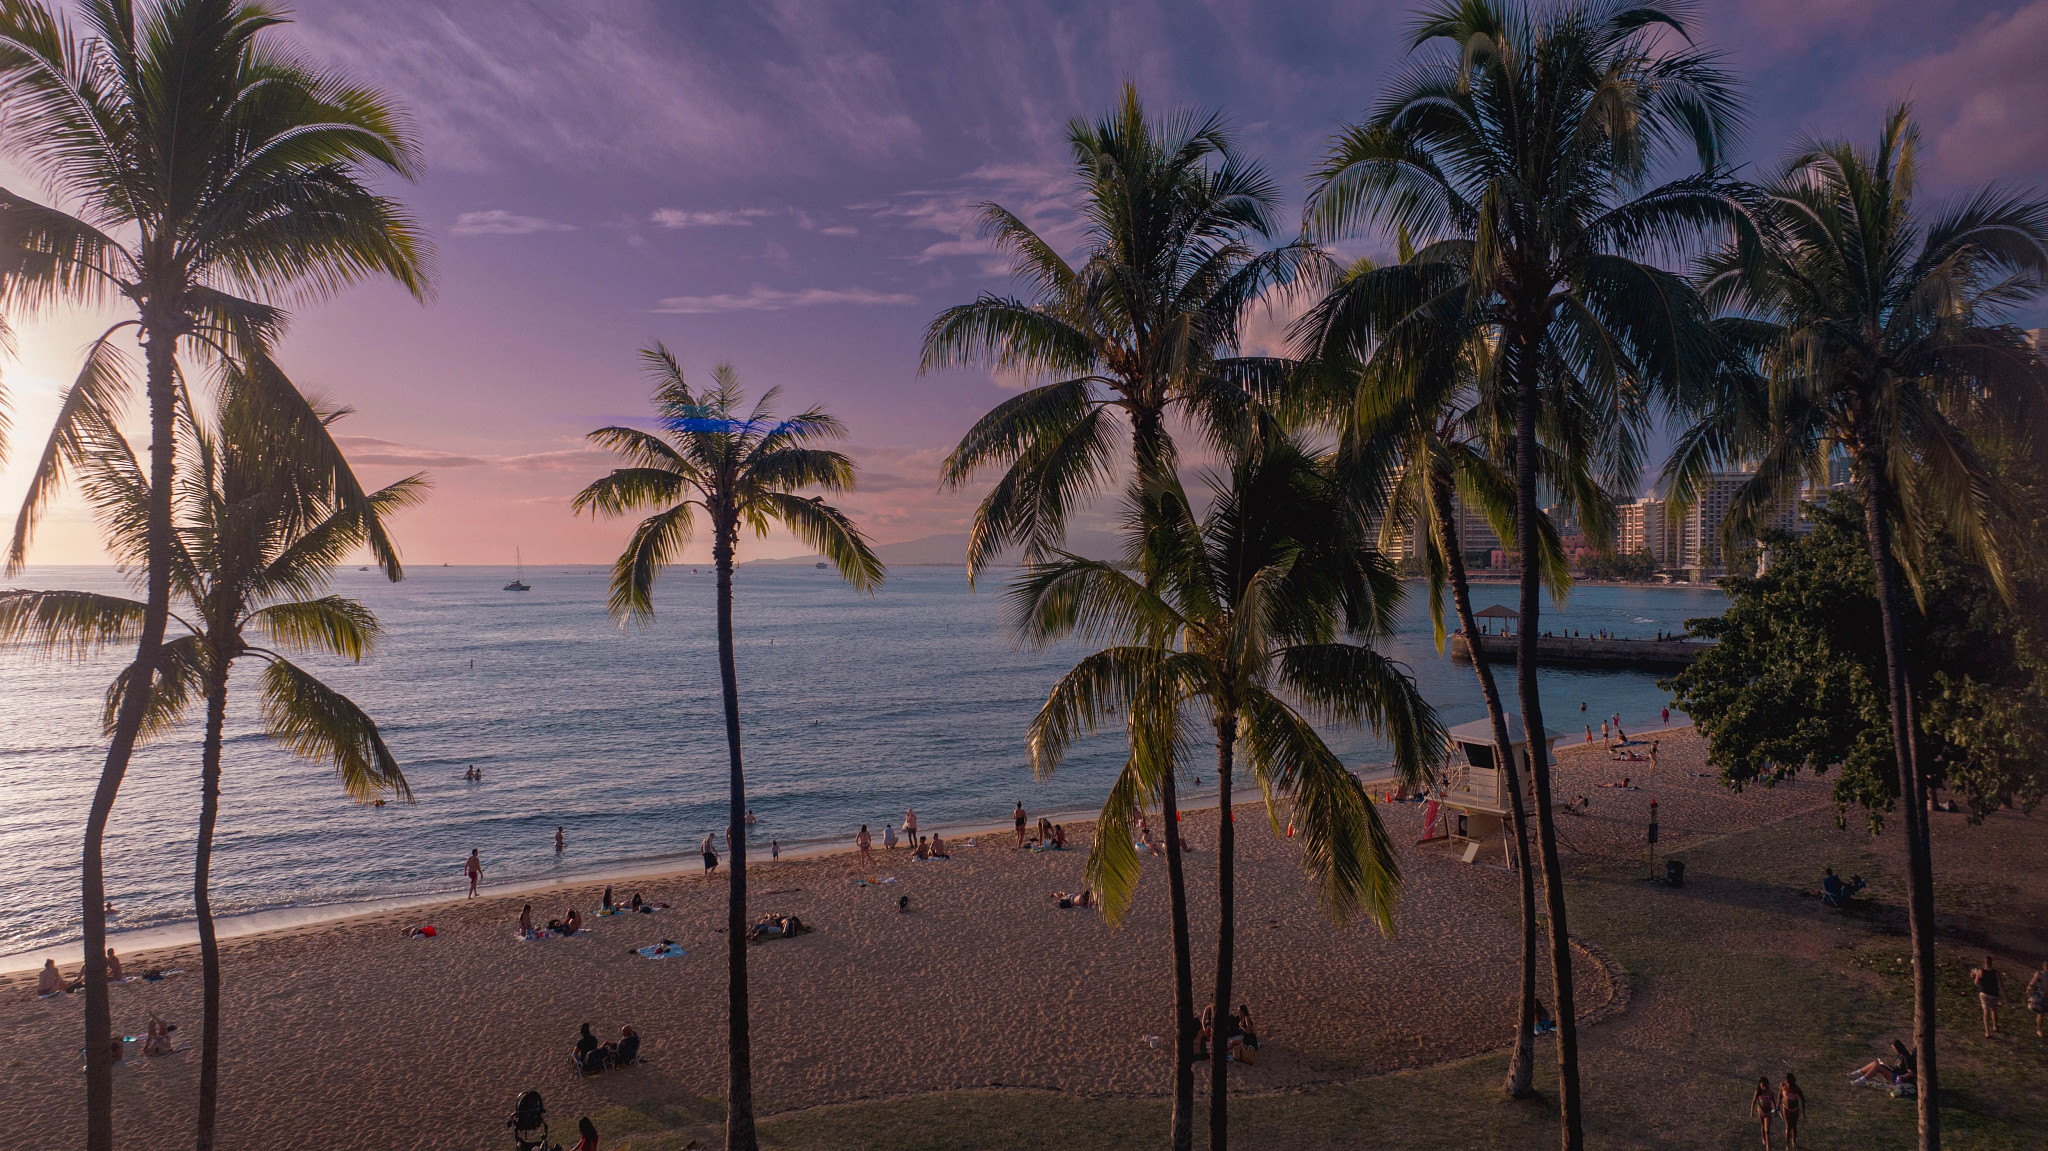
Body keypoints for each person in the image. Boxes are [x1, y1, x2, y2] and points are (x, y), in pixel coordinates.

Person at [1971, 955, 2002, 1036]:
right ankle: (1995, 1026)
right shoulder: (1995, 972)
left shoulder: (1980, 971)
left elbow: (1976, 983)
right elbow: (2000, 984)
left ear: (1984, 963)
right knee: (1994, 1010)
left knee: (1986, 1011)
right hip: (1994, 994)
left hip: (1984, 993)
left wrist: (1974, 976)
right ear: (1992, 963)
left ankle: (1987, 1032)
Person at [1749, 1077, 1776, 1149]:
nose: (1764, 1087)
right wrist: (1751, 1111)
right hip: (1760, 1112)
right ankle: (1763, 1139)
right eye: (1762, 1086)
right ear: (1760, 1086)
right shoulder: (1758, 1092)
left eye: (1765, 1085)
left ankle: (1768, 1145)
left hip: (1768, 1113)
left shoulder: (1770, 1093)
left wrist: (1775, 1109)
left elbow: (1773, 1102)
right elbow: (1753, 1102)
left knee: (1767, 1130)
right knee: (1762, 1126)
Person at [1780, 1073, 1805, 1150]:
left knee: (1794, 1126)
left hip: (1795, 1109)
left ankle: (1793, 1141)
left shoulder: (1796, 1088)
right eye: (1787, 1082)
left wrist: (1803, 1111)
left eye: (1790, 1082)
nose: (1788, 1084)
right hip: (1786, 1108)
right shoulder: (1783, 1086)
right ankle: (1787, 1145)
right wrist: (1777, 1105)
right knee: (1788, 1126)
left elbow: (1802, 1098)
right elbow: (1779, 1095)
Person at [2025, 960, 2046, 1037]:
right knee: (2041, 1013)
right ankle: (2039, 1029)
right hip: (2041, 997)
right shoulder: (2039, 974)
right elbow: (2032, 983)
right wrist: (2029, 990)